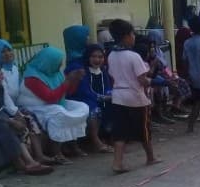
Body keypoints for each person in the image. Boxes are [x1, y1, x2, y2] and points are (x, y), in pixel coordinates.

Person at [106, 19, 161, 173]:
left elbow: (112, 76)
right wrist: (157, 81)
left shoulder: (111, 55)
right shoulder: (133, 56)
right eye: (132, 34)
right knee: (144, 129)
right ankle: (151, 157)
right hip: (135, 97)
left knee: (120, 132)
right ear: (126, 36)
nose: (134, 37)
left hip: (118, 96)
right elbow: (142, 80)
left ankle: (117, 163)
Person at [16, 47, 88, 163]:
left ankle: (72, 146)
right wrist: (68, 81)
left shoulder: (54, 73)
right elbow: (50, 97)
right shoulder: (32, 77)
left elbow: (67, 93)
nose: (60, 65)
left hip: (51, 104)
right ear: (48, 61)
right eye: (58, 62)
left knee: (81, 107)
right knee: (58, 112)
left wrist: (75, 80)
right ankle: (56, 152)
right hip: (35, 107)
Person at [0, 39, 57, 165]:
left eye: (9, 50)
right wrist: (16, 113)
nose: (7, 54)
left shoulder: (15, 68)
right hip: (3, 108)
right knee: (26, 119)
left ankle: (39, 155)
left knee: (31, 117)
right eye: (3, 52)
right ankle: (31, 159)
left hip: (14, 106)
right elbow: (4, 97)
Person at [65, 44, 114, 152]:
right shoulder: (83, 70)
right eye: (94, 56)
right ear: (88, 57)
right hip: (82, 99)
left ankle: (110, 136)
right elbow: (84, 91)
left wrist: (110, 94)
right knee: (94, 110)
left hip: (100, 98)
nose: (97, 60)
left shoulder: (103, 70)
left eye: (100, 57)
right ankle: (95, 140)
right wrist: (103, 97)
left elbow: (107, 86)